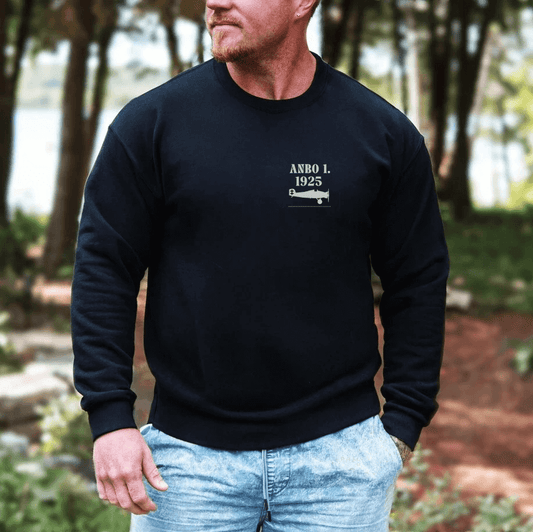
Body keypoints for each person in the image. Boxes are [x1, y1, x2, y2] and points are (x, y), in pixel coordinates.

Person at [71, 0, 450, 530]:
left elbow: (417, 280)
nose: (215, 2)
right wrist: (110, 417)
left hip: (340, 466)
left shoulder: (381, 133)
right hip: (186, 465)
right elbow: (103, 270)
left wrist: (404, 422)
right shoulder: (151, 125)